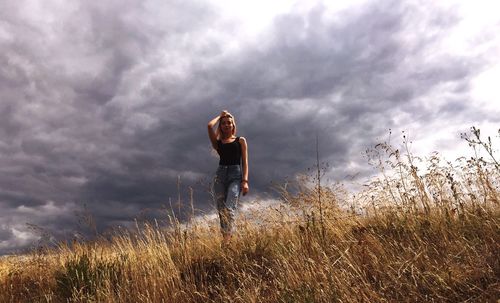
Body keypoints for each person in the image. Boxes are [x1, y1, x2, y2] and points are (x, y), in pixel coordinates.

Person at [207, 110, 249, 243]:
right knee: (221, 209)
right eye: (223, 123)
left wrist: (245, 181)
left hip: (235, 176)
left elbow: (245, 161)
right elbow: (209, 126)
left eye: (229, 122)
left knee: (230, 207)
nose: (226, 125)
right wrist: (220, 115)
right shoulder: (218, 143)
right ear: (221, 126)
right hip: (220, 176)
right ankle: (226, 239)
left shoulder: (240, 140)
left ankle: (227, 241)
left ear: (233, 125)